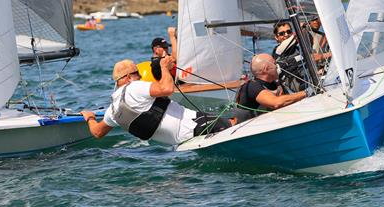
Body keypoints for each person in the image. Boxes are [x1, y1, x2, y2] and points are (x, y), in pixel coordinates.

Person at [80, 58, 229, 145]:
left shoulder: (113, 110)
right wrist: (164, 67)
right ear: (127, 78)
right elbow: (167, 89)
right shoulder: (134, 87)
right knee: (235, 121)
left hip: (184, 141)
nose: (140, 76)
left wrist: (90, 117)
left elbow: (97, 132)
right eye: (137, 73)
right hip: (196, 126)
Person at [230, 54, 309, 124]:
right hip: (248, 133)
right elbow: (276, 103)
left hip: (269, 125)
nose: (277, 67)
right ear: (266, 69)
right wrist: (306, 93)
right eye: (275, 64)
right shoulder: (252, 86)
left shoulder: (274, 83)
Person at [272, 21, 308, 93]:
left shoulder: (297, 48)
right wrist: (299, 27)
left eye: (289, 31)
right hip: (292, 88)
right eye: (282, 33)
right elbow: (293, 38)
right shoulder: (279, 50)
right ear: (276, 37)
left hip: (306, 79)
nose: (286, 34)